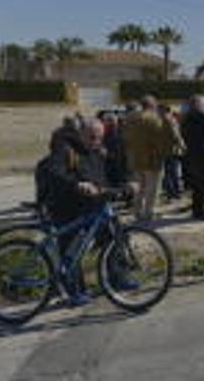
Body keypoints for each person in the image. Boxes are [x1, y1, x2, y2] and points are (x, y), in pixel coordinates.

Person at [47, 119, 133, 306]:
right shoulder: (65, 149)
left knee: (115, 237)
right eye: (92, 137)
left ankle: (117, 277)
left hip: (95, 205)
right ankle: (75, 291)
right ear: (81, 134)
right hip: (67, 207)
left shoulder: (98, 151)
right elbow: (54, 172)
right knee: (72, 250)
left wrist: (126, 183)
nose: (96, 141)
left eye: (99, 137)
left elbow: (111, 172)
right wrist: (77, 184)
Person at [122, 95, 173, 221]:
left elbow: (125, 138)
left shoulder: (131, 118)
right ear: (152, 105)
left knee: (140, 188)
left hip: (135, 159)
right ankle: (148, 212)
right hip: (152, 159)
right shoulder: (155, 119)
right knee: (152, 188)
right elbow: (161, 139)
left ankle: (137, 212)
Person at [180, 95, 204, 220]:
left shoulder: (186, 118)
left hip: (192, 155)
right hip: (203, 154)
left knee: (197, 184)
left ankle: (198, 209)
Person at [159, 105, 186, 202]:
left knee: (168, 172)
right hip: (172, 150)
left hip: (164, 150)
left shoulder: (160, 120)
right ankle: (175, 193)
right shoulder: (170, 120)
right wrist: (182, 146)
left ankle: (170, 193)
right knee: (173, 172)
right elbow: (176, 135)